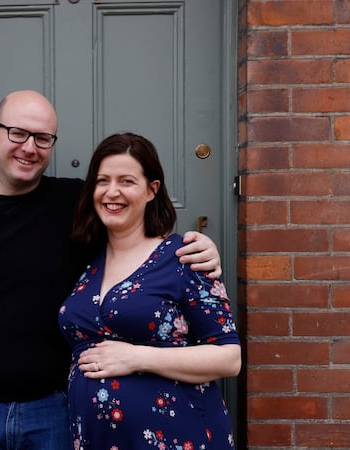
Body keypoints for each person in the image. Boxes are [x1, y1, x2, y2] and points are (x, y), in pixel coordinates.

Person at [0, 90, 223, 449]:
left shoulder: (75, 204)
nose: (29, 147)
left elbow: (133, 234)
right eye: (18, 133)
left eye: (43, 138)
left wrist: (193, 246)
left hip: (55, 408)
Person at [58, 132, 241, 449]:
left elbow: (229, 359)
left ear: (151, 190)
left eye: (127, 181)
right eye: (103, 181)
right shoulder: (87, 263)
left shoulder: (184, 257)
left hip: (176, 436)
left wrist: (136, 357)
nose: (112, 192)